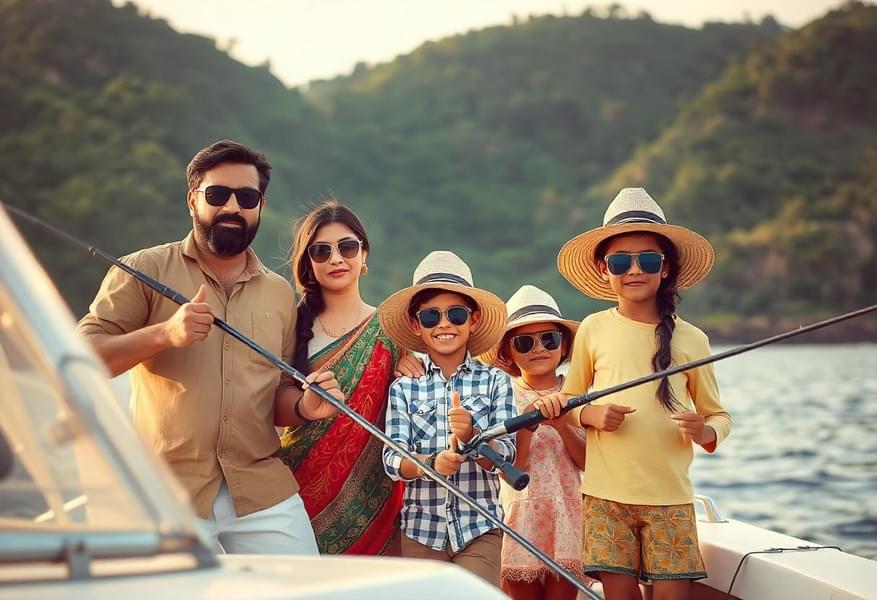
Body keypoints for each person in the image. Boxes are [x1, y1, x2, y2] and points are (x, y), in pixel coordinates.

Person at [77, 139, 343, 555]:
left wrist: (306, 407)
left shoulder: (278, 293)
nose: (232, 207)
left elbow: (277, 395)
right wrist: (165, 334)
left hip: (261, 491)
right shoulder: (142, 269)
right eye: (217, 195)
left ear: (260, 205)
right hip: (167, 492)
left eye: (247, 197)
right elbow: (79, 360)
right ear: (192, 200)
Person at [547, 187, 733, 600]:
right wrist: (589, 415)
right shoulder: (593, 328)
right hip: (606, 498)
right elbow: (571, 400)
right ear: (603, 269)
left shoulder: (693, 339)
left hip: (670, 498)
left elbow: (720, 417)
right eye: (620, 261)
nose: (635, 269)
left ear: (665, 268)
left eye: (648, 259)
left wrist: (704, 430)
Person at [278, 199, 422, 556]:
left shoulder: (392, 330)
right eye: (321, 252)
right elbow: (269, 407)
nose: (336, 259)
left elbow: (417, 412)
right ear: (309, 264)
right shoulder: (289, 328)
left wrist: (408, 377)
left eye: (346, 247)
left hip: (375, 491)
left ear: (364, 254)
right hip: (299, 488)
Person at [379, 250, 517, 586]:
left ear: (474, 320)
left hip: (481, 529)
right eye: (431, 317)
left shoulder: (497, 380)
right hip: (420, 533)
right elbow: (392, 458)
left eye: (455, 314)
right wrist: (431, 464)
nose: (444, 324)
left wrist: (473, 434)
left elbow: (507, 457)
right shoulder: (403, 388)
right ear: (416, 325)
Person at [479, 285, 588, 600]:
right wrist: (526, 425)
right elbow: (512, 469)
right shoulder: (503, 396)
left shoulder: (576, 394)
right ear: (508, 353)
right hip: (520, 515)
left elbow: (587, 462)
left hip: (567, 515)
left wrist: (564, 424)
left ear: (564, 346)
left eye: (549, 339)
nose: (538, 348)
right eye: (524, 342)